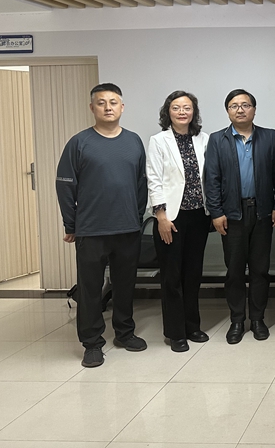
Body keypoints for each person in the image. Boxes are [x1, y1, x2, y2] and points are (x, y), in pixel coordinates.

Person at [56, 83, 147, 368]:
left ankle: (125, 333)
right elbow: (65, 186)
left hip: (128, 229)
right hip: (91, 229)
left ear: (122, 107)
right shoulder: (79, 143)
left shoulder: (134, 141)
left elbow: (141, 184)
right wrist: (70, 223)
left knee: (125, 286)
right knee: (90, 289)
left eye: (113, 102)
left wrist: (137, 218)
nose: (108, 107)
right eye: (101, 102)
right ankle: (92, 343)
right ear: (92, 107)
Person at [204, 89, 275, 344]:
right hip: (231, 214)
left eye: (245, 105)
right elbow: (212, 179)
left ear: (254, 110)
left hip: (262, 212)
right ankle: (237, 320)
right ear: (228, 111)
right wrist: (216, 213)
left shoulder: (270, 137)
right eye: (234, 105)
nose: (240, 109)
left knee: (260, 269)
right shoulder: (217, 140)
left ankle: (257, 319)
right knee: (234, 270)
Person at [146, 91, 210, 353]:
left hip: (199, 215)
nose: (182, 112)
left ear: (194, 112)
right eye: (176, 107)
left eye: (187, 107)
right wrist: (160, 215)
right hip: (171, 217)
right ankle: (175, 332)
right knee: (172, 276)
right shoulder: (158, 141)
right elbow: (154, 179)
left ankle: (192, 326)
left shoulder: (204, 139)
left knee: (193, 273)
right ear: (168, 112)